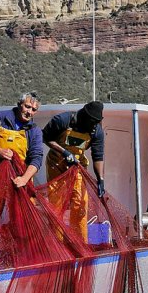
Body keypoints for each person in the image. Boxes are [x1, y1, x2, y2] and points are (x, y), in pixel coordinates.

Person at [0, 91, 45, 222]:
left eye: (34, 110)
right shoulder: (1, 119)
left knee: (22, 220)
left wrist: (24, 179)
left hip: (18, 180)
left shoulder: (34, 131)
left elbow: (37, 158)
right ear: (19, 104)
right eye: (27, 107)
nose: (29, 112)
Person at [43, 101, 106, 240]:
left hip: (77, 167)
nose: (94, 125)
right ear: (85, 116)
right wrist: (64, 152)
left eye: (97, 122)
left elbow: (98, 156)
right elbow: (46, 137)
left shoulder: (97, 131)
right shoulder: (63, 120)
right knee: (56, 206)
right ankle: (57, 243)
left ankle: (80, 243)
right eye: (93, 122)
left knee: (80, 205)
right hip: (57, 165)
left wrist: (100, 180)